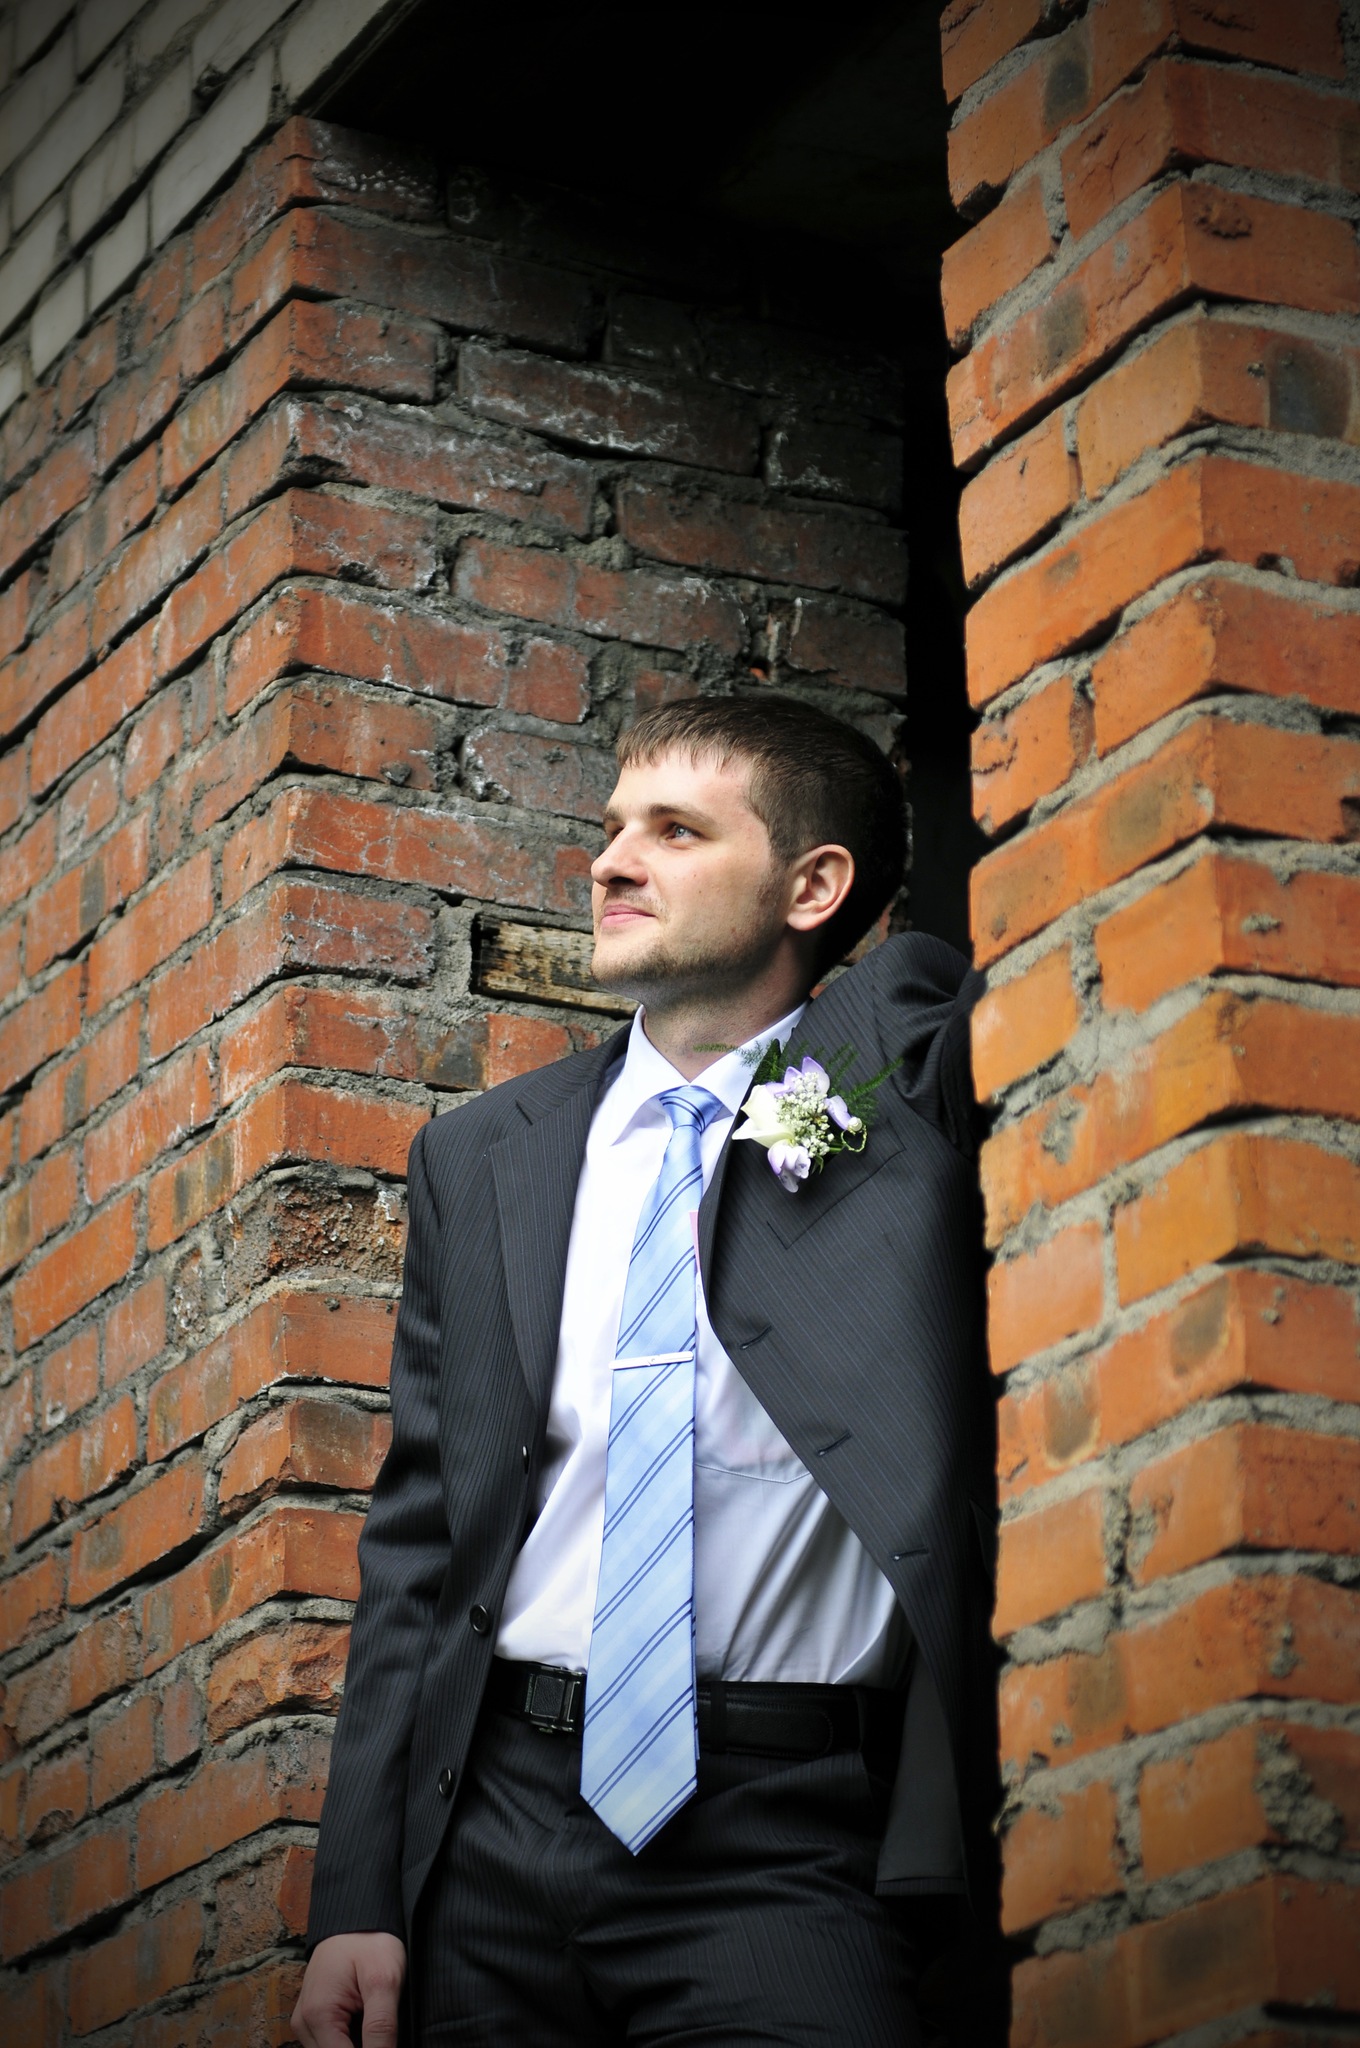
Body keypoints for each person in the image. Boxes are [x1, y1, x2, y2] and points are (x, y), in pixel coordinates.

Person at [293, 694, 998, 2047]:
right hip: (489, 1833)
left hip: (787, 1836)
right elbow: (422, 1545)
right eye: (615, 826)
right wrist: (359, 1898)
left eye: (676, 831)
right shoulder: (484, 1158)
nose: (612, 860)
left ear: (813, 887)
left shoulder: (889, 1090)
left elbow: (978, 1004)